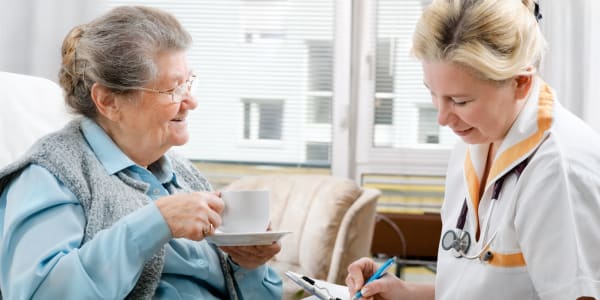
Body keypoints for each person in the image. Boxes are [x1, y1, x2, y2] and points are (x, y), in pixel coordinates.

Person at [0, 6, 282, 300]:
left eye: (189, 82)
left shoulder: (185, 176)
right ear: (108, 101)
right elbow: (39, 294)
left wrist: (248, 266)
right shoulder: (52, 174)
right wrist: (156, 222)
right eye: (173, 89)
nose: (192, 101)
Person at [346, 0, 600, 299]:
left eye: (460, 101)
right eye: (433, 93)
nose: (442, 118)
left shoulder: (558, 169)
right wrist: (404, 292)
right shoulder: (475, 141)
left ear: (520, 81)